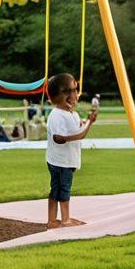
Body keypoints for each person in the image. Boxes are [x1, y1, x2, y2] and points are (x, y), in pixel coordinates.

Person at [45, 72, 97, 228]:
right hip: (61, 162)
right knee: (62, 190)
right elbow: (71, 135)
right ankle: (63, 219)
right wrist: (89, 123)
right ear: (56, 97)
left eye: (74, 90)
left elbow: (74, 128)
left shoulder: (70, 113)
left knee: (57, 189)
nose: (73, 95)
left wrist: (83, 122)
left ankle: (53, 219)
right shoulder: (58, 115)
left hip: (63, 161)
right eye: (68, 92)